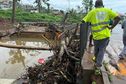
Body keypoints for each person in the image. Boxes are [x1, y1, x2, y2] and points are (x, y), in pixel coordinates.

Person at [82, 0, 120, 68]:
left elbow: (83, 21)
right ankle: (98, 64)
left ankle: (96, 61)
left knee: (96, 49)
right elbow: (118, 18)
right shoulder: (107, 11)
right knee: (102, 49)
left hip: (96, 35)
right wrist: (111, 27)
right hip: (105, 35)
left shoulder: (92, 12)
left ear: (95, 6)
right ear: (102, 5)